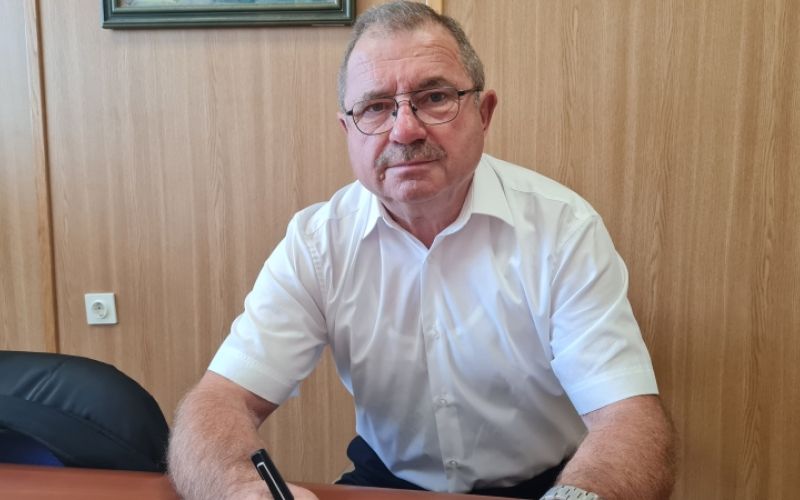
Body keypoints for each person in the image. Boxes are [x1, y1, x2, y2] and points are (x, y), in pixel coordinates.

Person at [167, 2, 676, 499]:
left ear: (483, 113)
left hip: (547, 485)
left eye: (434, 97)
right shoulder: (318, 243)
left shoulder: (563, 228)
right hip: (386, 482)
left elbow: (628, 419)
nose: (405, 130)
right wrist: (240, 491)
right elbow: (218, 401)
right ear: (348, 131)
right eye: (375, 107)